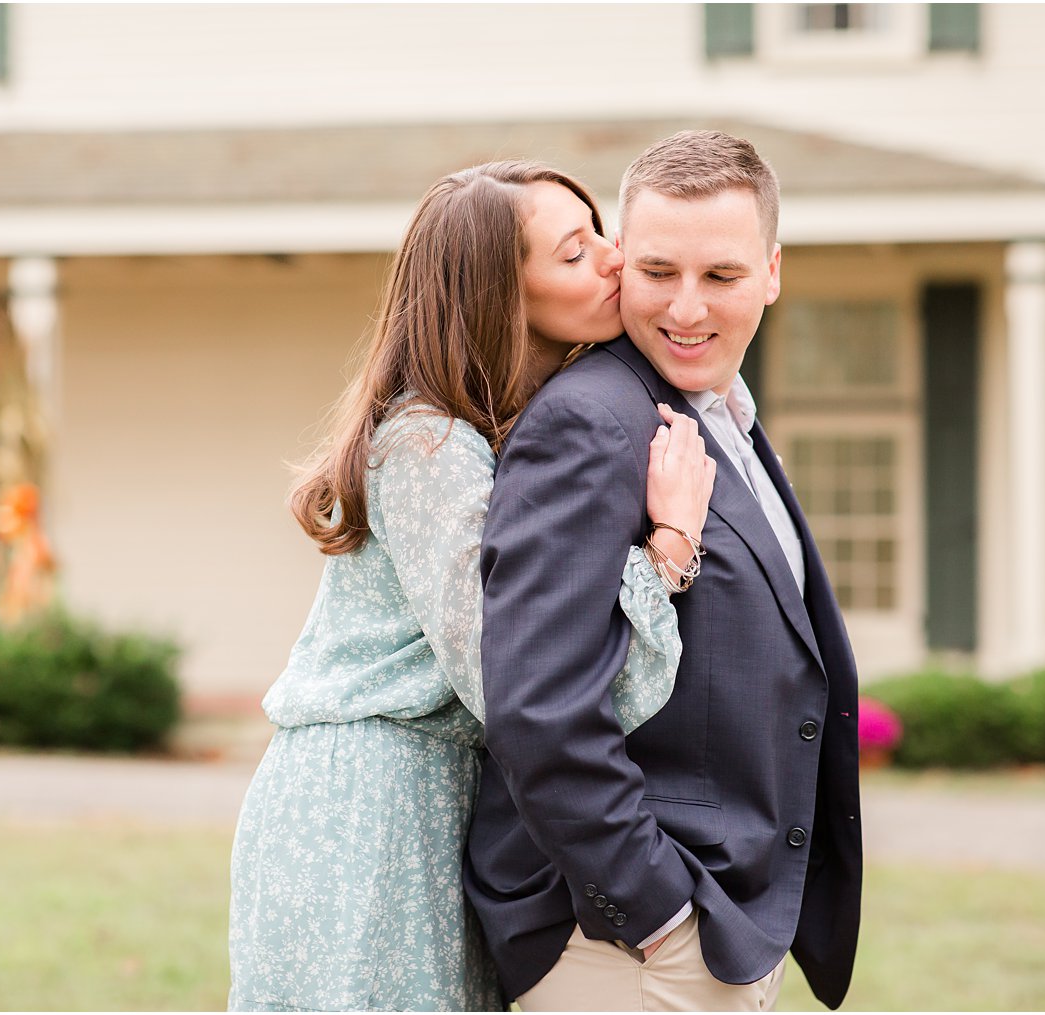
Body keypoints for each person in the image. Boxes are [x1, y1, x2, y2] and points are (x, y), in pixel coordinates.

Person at [227, 160, 716, 1012]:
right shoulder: (428, 447)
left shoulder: (505, 430)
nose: (614, 258)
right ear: (499, 296)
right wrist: (671, 543)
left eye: (600, 232)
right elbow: (517, 681)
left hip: (435, 796)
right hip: (369, 802)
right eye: (575, 253)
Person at [466, 130, 864, 1011]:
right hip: (620, 949)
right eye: (656, 273)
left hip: (717, 931)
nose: (686, 308)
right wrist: (657, 916)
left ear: (771, 271)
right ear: (621, 266)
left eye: (720, 276)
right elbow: (538, 706)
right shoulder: (589, 424)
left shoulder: (721, 412)